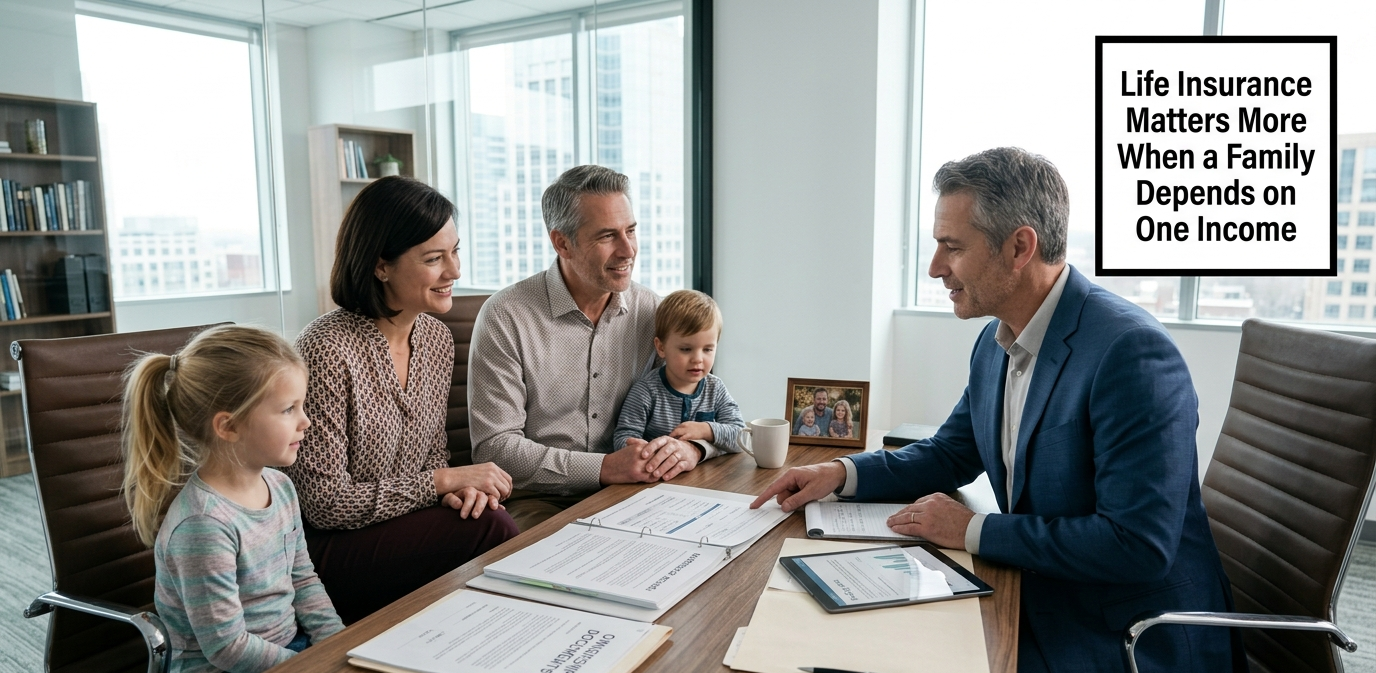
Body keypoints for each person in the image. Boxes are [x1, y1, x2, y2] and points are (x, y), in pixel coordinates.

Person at [751, 148, 1237, 673]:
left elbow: (1136, 545)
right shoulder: (995, 342)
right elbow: (950, 452)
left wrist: (970, 530)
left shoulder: (1130, 354)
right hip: (1042, 589)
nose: (936, 268)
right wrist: (838, 473)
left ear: (1019, 247)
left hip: (1126, 635)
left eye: (951, 247)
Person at [283, 176, 518, 623]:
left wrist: (454, 491)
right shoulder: (325, 350)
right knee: (493, 527)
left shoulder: (435, 339)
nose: (455, 271)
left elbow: (431, 457)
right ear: (381, 266)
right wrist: (441, 484)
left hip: (400, 531)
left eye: (456, 251)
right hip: (327, 554)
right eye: (434, 258)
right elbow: (324, 503)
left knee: (482, 514)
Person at [470, 165, 730, 531]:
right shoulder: (506, 316)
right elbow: (494, 449)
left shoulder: (652, 313)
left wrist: (693, 449)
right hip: (542, 500)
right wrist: (605, 467)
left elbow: (713, 407)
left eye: (632, 231)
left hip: (639, 490)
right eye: (608, 236)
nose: (628, 250)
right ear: (562, 243)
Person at [121, 325, 343, 672]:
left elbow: (303, 579)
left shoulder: (281, 487)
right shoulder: (203, 526)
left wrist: (339, 645)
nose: (306, 421)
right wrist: (314, 664)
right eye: (288, 409)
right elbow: (227, 648)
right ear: (229, 427)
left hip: (288, 651)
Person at [613, 289, 745, 454]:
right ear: (661, 348)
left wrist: (707, 430)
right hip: (657, 474)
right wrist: (644, 450)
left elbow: (742, 438)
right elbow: (622, 437)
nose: (698, 359)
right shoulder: (646, 391)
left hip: (707, 476)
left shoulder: (715, 389)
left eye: (708, 349)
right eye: (686, 349)